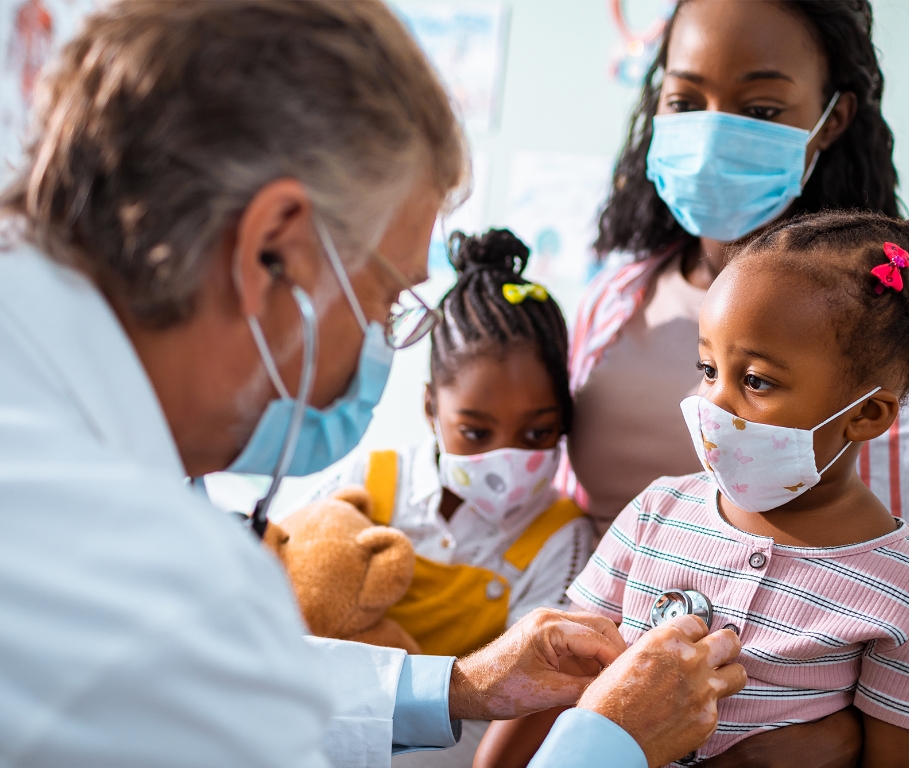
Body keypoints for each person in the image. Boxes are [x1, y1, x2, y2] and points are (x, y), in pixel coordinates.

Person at [0, 2, 746, 767]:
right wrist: (607, 744)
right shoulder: (134, 568)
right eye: (389, 301)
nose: (382, 344)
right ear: (274, 251)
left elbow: (213, 691)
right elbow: (196, 676)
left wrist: (461, 684)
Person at [480, 211, 909, 766]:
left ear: (867, 415)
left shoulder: (902, 589)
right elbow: (554, 682)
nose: (713, 402)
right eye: (708, 368)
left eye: (756, 380)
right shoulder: (655, 512)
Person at [562, 0, 909, 538]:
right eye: (684, 101)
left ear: (832, 119)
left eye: (760, 110)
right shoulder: (611, 299)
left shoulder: (889, 327)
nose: (710, 138)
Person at [303, 228, 594, 765]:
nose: (505, 459)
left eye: (536, 434)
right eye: (476, 433)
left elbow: (534, 705)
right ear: (431, 409)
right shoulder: (371, 478)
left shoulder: (562, 539)